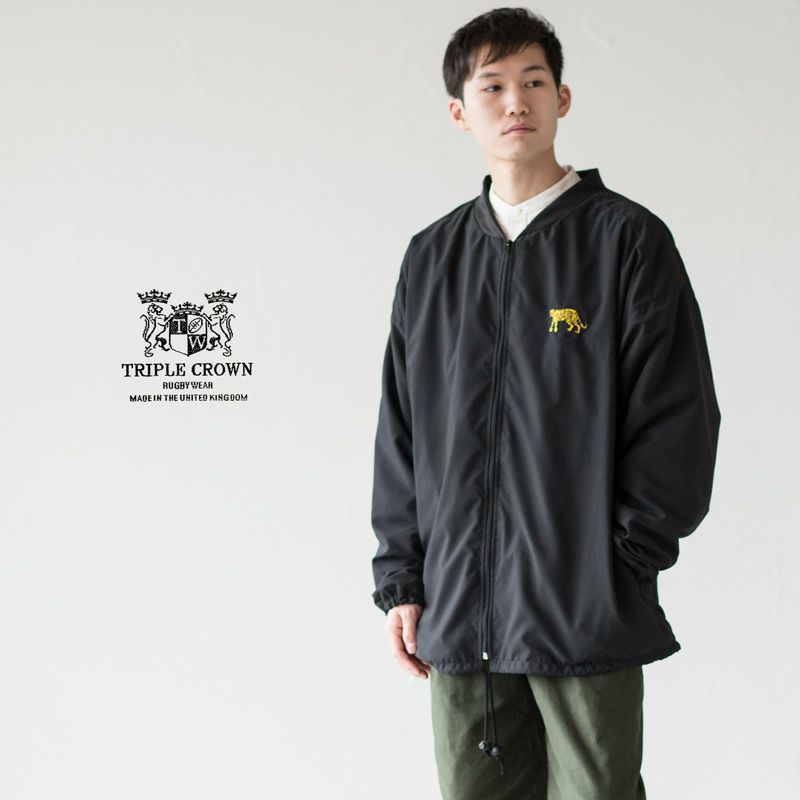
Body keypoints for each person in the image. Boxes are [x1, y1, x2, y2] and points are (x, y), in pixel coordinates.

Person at [369, 7, 721, 799]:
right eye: (491, 86)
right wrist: (403, 579)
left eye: (533, 82)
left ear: (562, 98)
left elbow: (680, 420)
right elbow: (400, 430)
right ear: (460, 112)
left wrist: (618, 562)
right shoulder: (432, 258)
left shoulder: (626, 241)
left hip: (582, 614)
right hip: (459, 616)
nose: (515, 102)